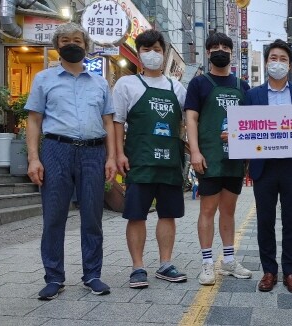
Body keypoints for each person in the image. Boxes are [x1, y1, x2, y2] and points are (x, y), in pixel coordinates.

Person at [25, 22, 116, 300]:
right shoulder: (43, 79)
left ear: (86, 46)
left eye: (77, 40)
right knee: (54, 217)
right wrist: (33, 158)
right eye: (65, 40)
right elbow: (34, 120)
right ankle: (54, 277)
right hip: (56, 150)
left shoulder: (100, 82)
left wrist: (111, 156)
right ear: (57, 46)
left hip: (93, 152)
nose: (72, 44)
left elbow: (108, 121)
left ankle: (93, 274)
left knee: (93, 217)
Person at [113, 30, 188, 289]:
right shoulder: (126, 84)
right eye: (145, 49)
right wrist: (118, 154)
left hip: (169, 163)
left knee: (168, 215)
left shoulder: (176, 88)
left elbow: (185, 125)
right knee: (137, 215)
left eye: (156, 49)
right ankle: (138, 267)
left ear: (163, 52)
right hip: (139, 161)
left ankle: (165, 264)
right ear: (138, 53)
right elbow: (117, 123)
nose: (151, 54)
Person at [245, 39, 292, 293]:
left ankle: (291, 272)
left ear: (290, 65)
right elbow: (245, 129)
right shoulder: (253, 95)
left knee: (291, 220)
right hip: (264, 166)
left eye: (283, 59)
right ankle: (269, 271)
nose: (278, 63)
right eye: (273, 58)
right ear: (266, 63)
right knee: (265, 220)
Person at [185, 32, 252, 285]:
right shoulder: (199, 83)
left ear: (231, 52)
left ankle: (229, 260)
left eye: (225, 46)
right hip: (209, 158)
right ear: (208, 52)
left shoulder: (242, 86)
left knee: (229, 210)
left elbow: (251, 124)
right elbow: (191, 118)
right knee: (207, 209)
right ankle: (206, 262)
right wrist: (195, 151)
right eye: (215, 47)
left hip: (234, 160)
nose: (220, 50)